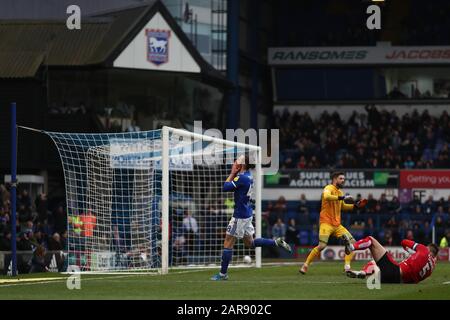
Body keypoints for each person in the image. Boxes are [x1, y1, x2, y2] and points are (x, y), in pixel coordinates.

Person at [211, 155, 291, 281]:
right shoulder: (248, 175)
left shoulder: (241, 177)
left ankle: (222, 274)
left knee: (228, 241)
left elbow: (225, 187)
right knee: (250, 243)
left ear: (242, 164)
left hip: (240, 215)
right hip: (247, 213)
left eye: (238, 159)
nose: (235, 160)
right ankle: (276, 242)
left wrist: (232, 173)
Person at [300, 171, 367, 274]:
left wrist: (355, 206)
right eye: (341, 179)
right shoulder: (328, 188)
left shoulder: (340, 192)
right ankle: (305, 265)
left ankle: (347, 266)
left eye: (344, 179)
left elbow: (343, 206)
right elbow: (327, 197)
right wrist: (342, 198)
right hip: (326, 222)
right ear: (335, 179)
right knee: (322, 246)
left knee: (353, 243)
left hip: (337, 225)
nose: (343, 181)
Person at [343, 235, 438, 284]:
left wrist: (411, 251)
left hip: (394, 271)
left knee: (371, 240)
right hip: (396, 281)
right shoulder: (430, 270)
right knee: (375, 263)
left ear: (428, 248)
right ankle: (363, 272)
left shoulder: (424, 249)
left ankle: (351, 247)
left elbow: (404, 242)